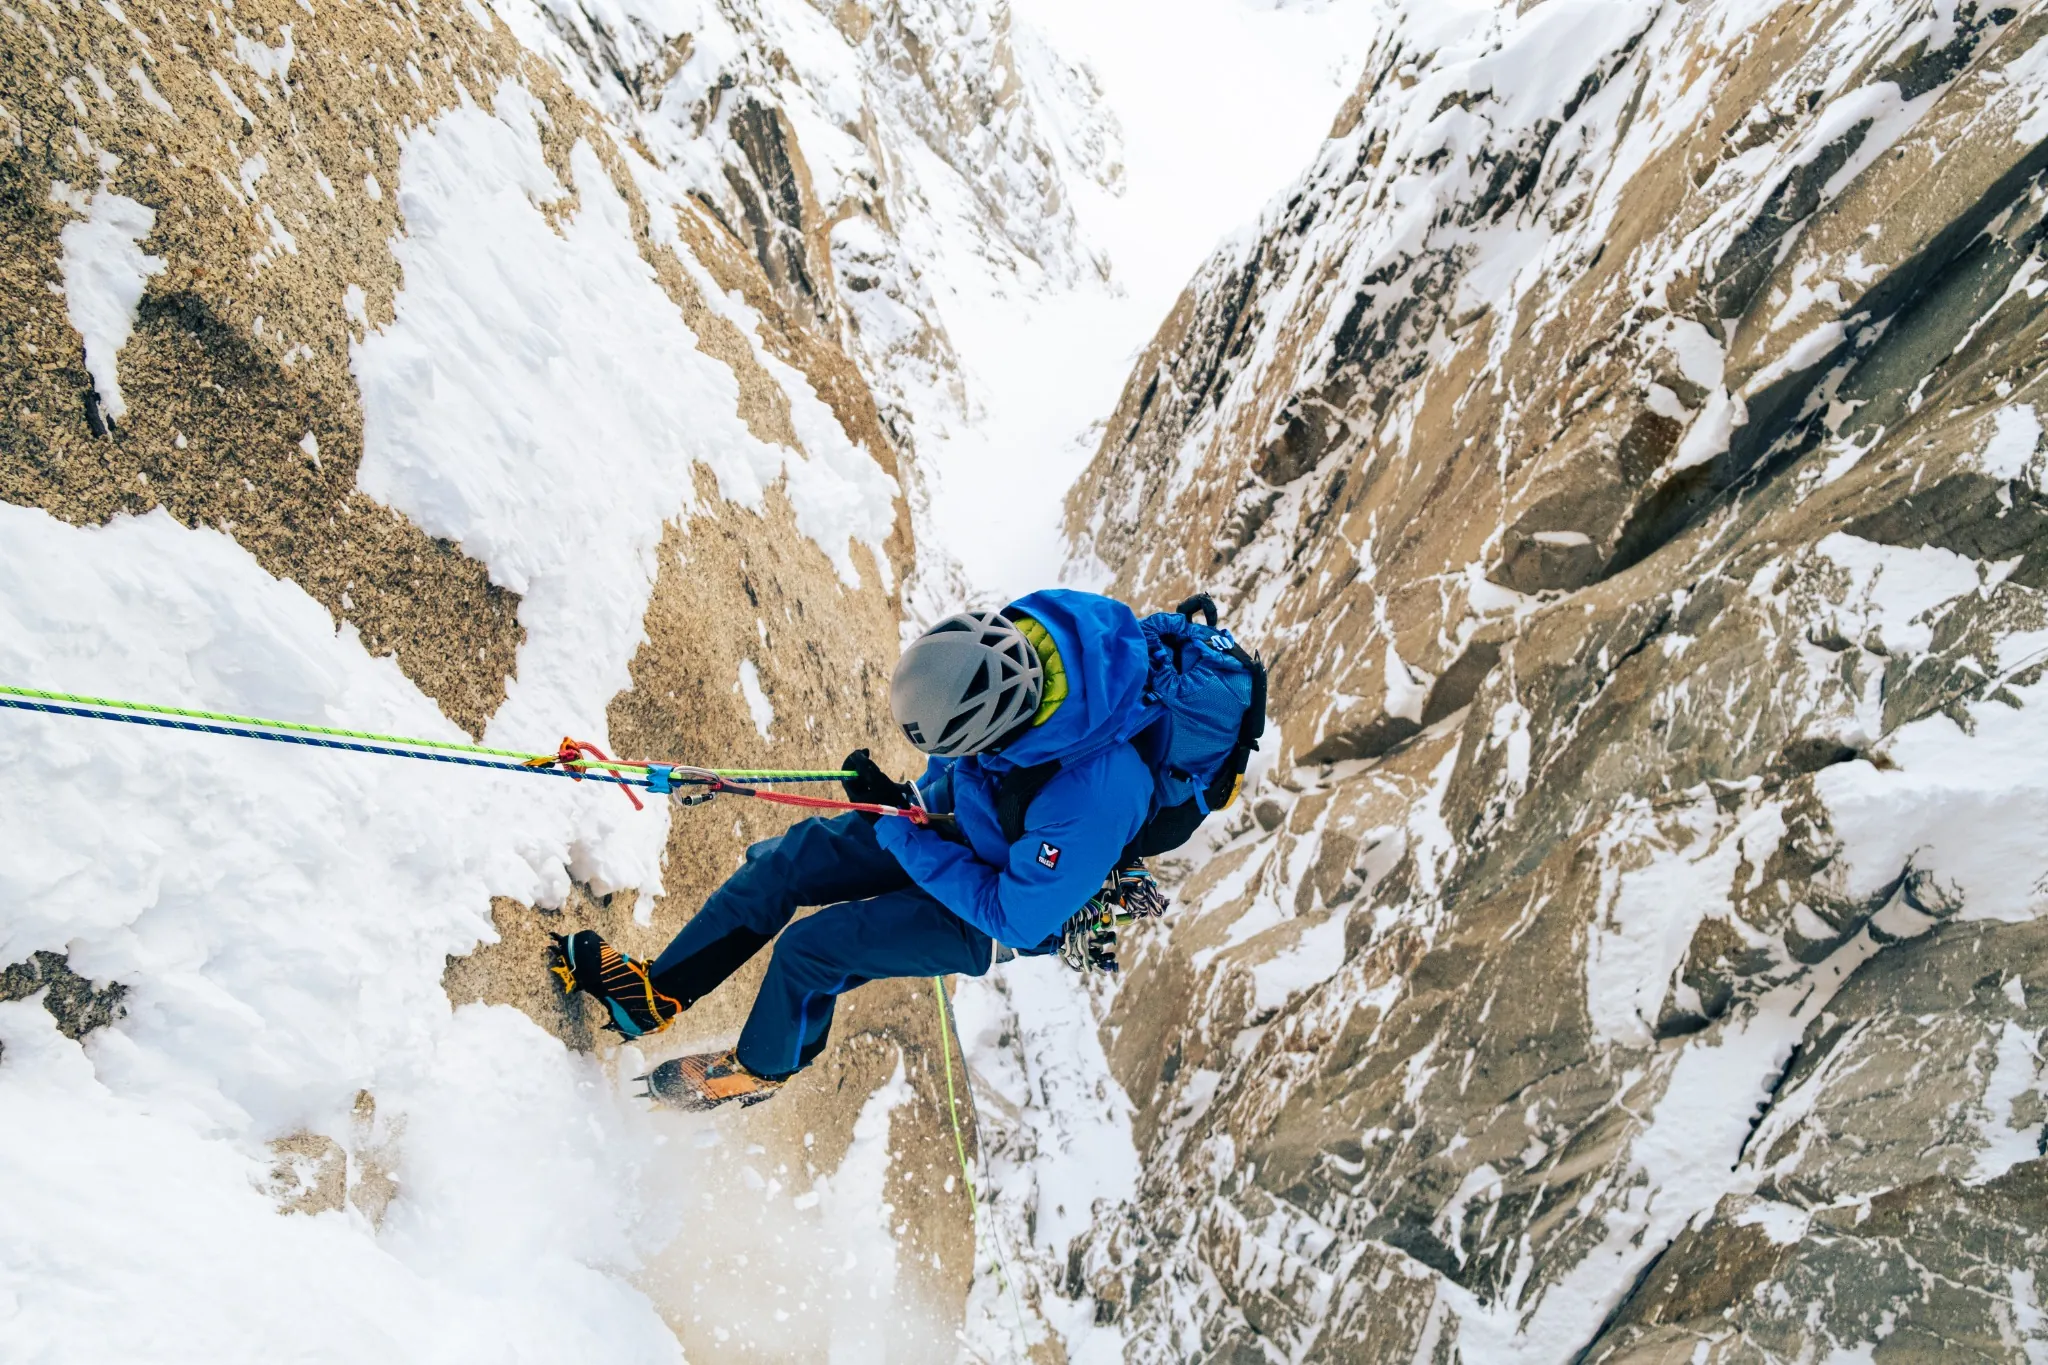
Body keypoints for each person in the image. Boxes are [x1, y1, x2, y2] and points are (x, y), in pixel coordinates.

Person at [552, 588, 1158, 1110]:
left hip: (993, 907)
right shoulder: (1029, 633)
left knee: (813, 951)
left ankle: (758, 1070)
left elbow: (1016, 917)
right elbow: (972, 757)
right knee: (787, 865)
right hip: (958, 822)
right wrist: (910, 795)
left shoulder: (1096, 794)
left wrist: (903, 832)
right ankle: (652, 996)